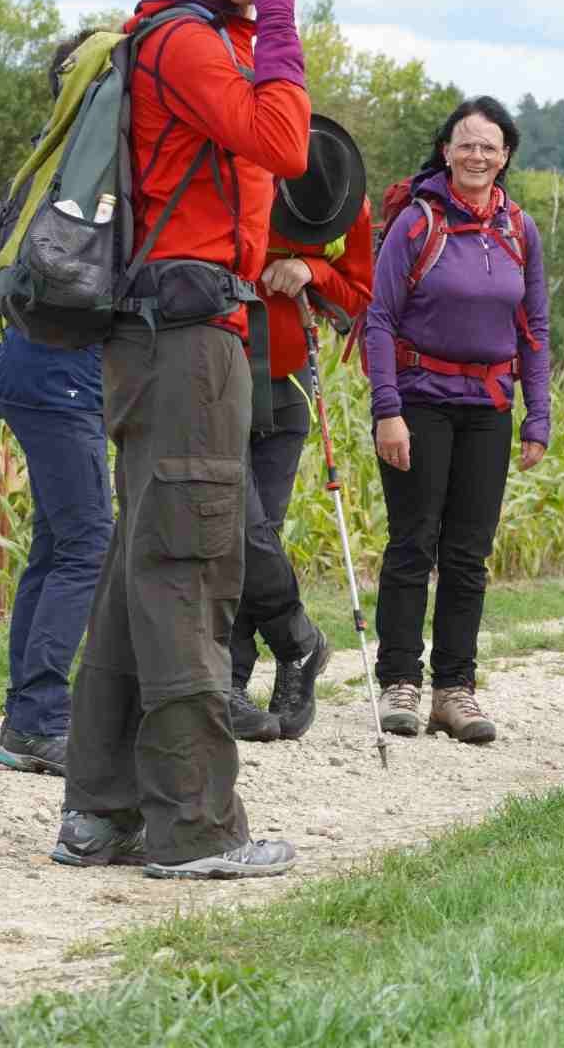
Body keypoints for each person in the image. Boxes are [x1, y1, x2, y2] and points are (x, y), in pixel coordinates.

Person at [52, 0, 308, 879]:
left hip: (174, 330)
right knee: (189, 569)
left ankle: (101, 811)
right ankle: (195, 827)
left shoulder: (180, 35)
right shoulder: (190, 42)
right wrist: (282, 18)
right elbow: (283, 141)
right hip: (187, 335)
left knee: (140, 565)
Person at [364, 96, 551, 745]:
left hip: (488, 409)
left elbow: (534, 327)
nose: (476, 155)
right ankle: (399, 681)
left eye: (488, 146)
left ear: (505, 157)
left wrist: (537, 415)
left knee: (469, 554)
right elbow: (379, 319)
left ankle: (454, 690)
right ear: (446, 151)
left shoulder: (519, 229)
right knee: (413, 543)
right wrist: (387, 410)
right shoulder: (417, 224)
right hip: (418, 401)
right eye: (465, 144)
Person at [0, 29, 121, 777]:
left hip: (38, 365)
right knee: (87, 543)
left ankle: (25, 721)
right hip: (60, 371)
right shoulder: (86, 175)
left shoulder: (61, 161)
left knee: (58, 543)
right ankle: (38, 720)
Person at [226, 121, 375, 742]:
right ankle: (296, 642)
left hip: (287, 388)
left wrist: (311, 269)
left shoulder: (346, 197)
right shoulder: (238, 176)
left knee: (255, 531)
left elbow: (359, 296)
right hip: (220, 374)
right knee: (234, 528)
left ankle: (235, 681)